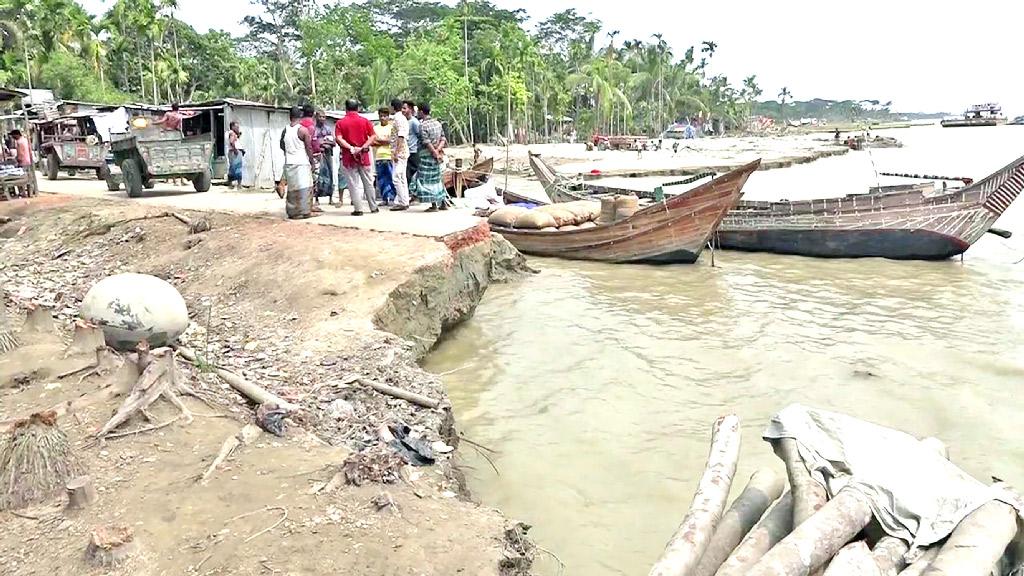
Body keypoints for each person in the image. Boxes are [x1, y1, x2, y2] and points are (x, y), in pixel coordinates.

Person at [334, 99, 378, 216]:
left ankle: (358, 209)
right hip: (364, 155)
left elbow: (339, 138)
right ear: (357, 108)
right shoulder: (365, 121)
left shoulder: (340, 123)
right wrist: (363, 146)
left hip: (349, 157)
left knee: (353, 183)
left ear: (346, 108)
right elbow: (373, 136)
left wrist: (351, 148)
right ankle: (373, 207)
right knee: (368, 182)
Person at [280, 106, 317, 219]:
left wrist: (289, 152)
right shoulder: (303, 130)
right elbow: (308, 148)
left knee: (292, 188)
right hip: (301, 162)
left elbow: (281, 145)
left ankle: (292, 211)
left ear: (289, 116)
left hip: (289, 162)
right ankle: (305, 211)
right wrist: (312, 161)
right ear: (300, 116)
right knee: (305, 187)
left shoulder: (285, 130)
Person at [414, 102, 448, 212]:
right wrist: (438, 151)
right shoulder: (438, 123)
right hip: (437, 155)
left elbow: (426, 142)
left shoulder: (423, 126)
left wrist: (434, 152)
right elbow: (443, 138)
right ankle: (443, 203)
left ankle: (434, 205)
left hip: (427, 156)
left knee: (427, 181)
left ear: (421, 112)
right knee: (437, 179)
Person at [389, 98, 410, 211]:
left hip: (400, 153)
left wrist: (396, 152)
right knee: (401, 177)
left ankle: (402, 201)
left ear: (393, 107)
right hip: (401, 151)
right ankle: (404, 200)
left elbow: (401, 136)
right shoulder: (400, 118)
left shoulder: (398, 119)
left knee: (396, 177)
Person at [313, 110, 337, 205]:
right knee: (318, 176)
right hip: (318, 155)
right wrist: (322, 143)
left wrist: (323, 142)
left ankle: (330, 198)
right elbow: (314, 142)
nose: (322, 119)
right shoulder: (314, 129)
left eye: (324, 117)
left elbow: (333, 142)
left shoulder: (328, 129)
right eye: (320, 117)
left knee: (330, 175)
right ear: (316, 117)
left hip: (328, 155)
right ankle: (316, 199)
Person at [373, 107, 396, 205]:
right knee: (381, 179)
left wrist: (380, 140)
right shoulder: (375, 128)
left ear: (388, 117)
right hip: (378, 156)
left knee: (391, 178)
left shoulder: (392, 128)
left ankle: (392, 198)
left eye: (385, 116)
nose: (383, 118)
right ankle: (384, 198)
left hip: (389, 156)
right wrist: (385, 141)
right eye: (381, 116)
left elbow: (392, 141)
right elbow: (373, 141)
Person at [402, 100, 421, 195]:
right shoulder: (403, 121)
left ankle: (415, 193)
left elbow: (420, 136)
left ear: (410, 109)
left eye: (405, 108)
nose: (403, 110)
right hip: (405, 152)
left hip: (413, 152)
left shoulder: (414, 122)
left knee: (415, 173)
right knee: (406, 175)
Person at [226, 121, 244, 190]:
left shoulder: (231, 133)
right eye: (237, 127)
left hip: (232, 152)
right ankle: (238, 185)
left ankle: (231, 184)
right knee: (237, 168)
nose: (238, 128)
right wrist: (235, 150)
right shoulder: (232, 133)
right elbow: (232, 142)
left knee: (233, 168)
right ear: (233, 127)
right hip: (234, 152)